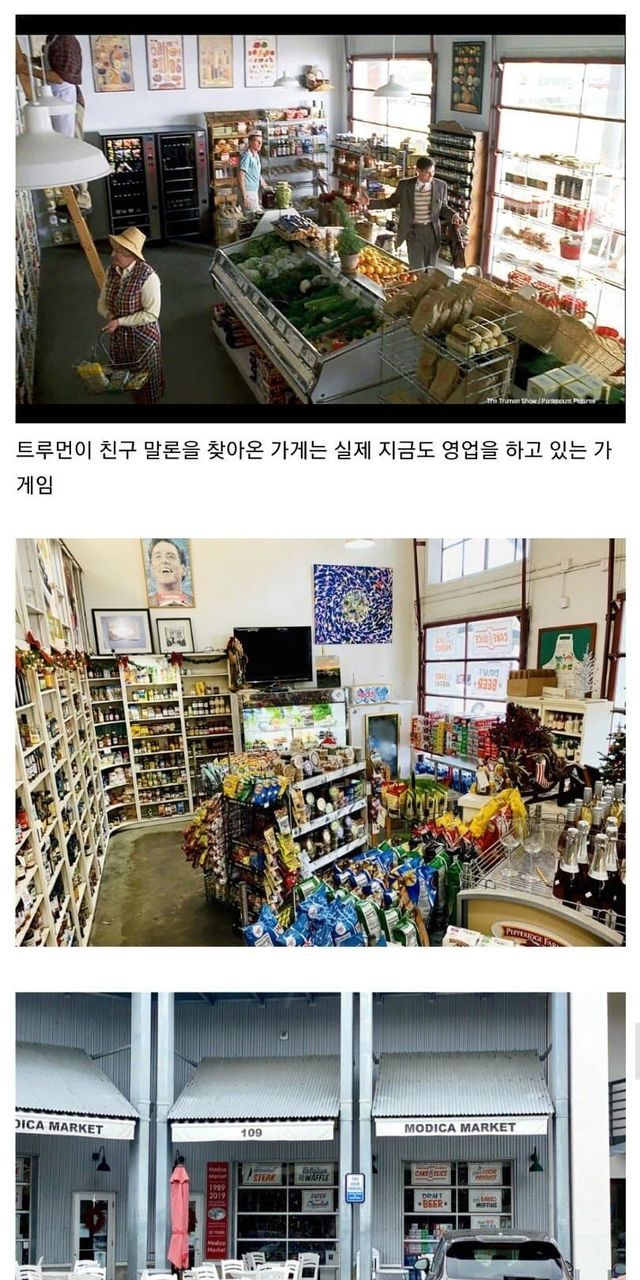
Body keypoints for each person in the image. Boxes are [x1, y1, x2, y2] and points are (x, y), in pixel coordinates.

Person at [97, 227, 165, 405]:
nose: (112, 254)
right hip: (120, 337)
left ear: (131, 255)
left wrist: (119, 321)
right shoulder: (112, 271)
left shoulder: (148, 277)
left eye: (118, 251)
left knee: (146, 380)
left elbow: (151, 314)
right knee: (126, 375)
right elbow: (102, 301)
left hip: (143, 338)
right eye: (114, 249)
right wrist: (110, 316)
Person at [361, 154, 462, 270]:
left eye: (433, 172)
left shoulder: (441, 186)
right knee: (416, 268)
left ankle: (428, 281)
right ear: (418, 171)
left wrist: (454, 216)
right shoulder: (405, 186)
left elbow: (443, 207)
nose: (431, 175)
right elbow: (390, 202)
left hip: (432, 233)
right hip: (413, 233)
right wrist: (369, 203)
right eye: (427, 172)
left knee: (430, 269)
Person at [43, 34, 92, 211]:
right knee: (65, 149)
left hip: (69, 101)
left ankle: (81, 199)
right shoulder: (54, 39)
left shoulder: (66, 41)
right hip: (60, 99)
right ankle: (68, 196)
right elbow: (54, 66)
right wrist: (31, 62)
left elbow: (60, 78)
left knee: (72, 149)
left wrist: (25, 69)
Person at [146, 540, 193, 607]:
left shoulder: (197, 602)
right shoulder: (145, 603)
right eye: (158, 557)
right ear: (152, 569)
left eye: (171, 556)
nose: (164, 561)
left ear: (183, 570)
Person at [238, 130, 273, 212]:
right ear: (250, 142)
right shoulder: (247, 156)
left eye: (261, 141)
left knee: (254, 216)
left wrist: (265, 186)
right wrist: (245, 196)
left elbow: (257, 173)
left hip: (254, 191)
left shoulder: (256, 155)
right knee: (256, 215)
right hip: (248, 192)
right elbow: (240, 176)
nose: (260, 144)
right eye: (257, 141)